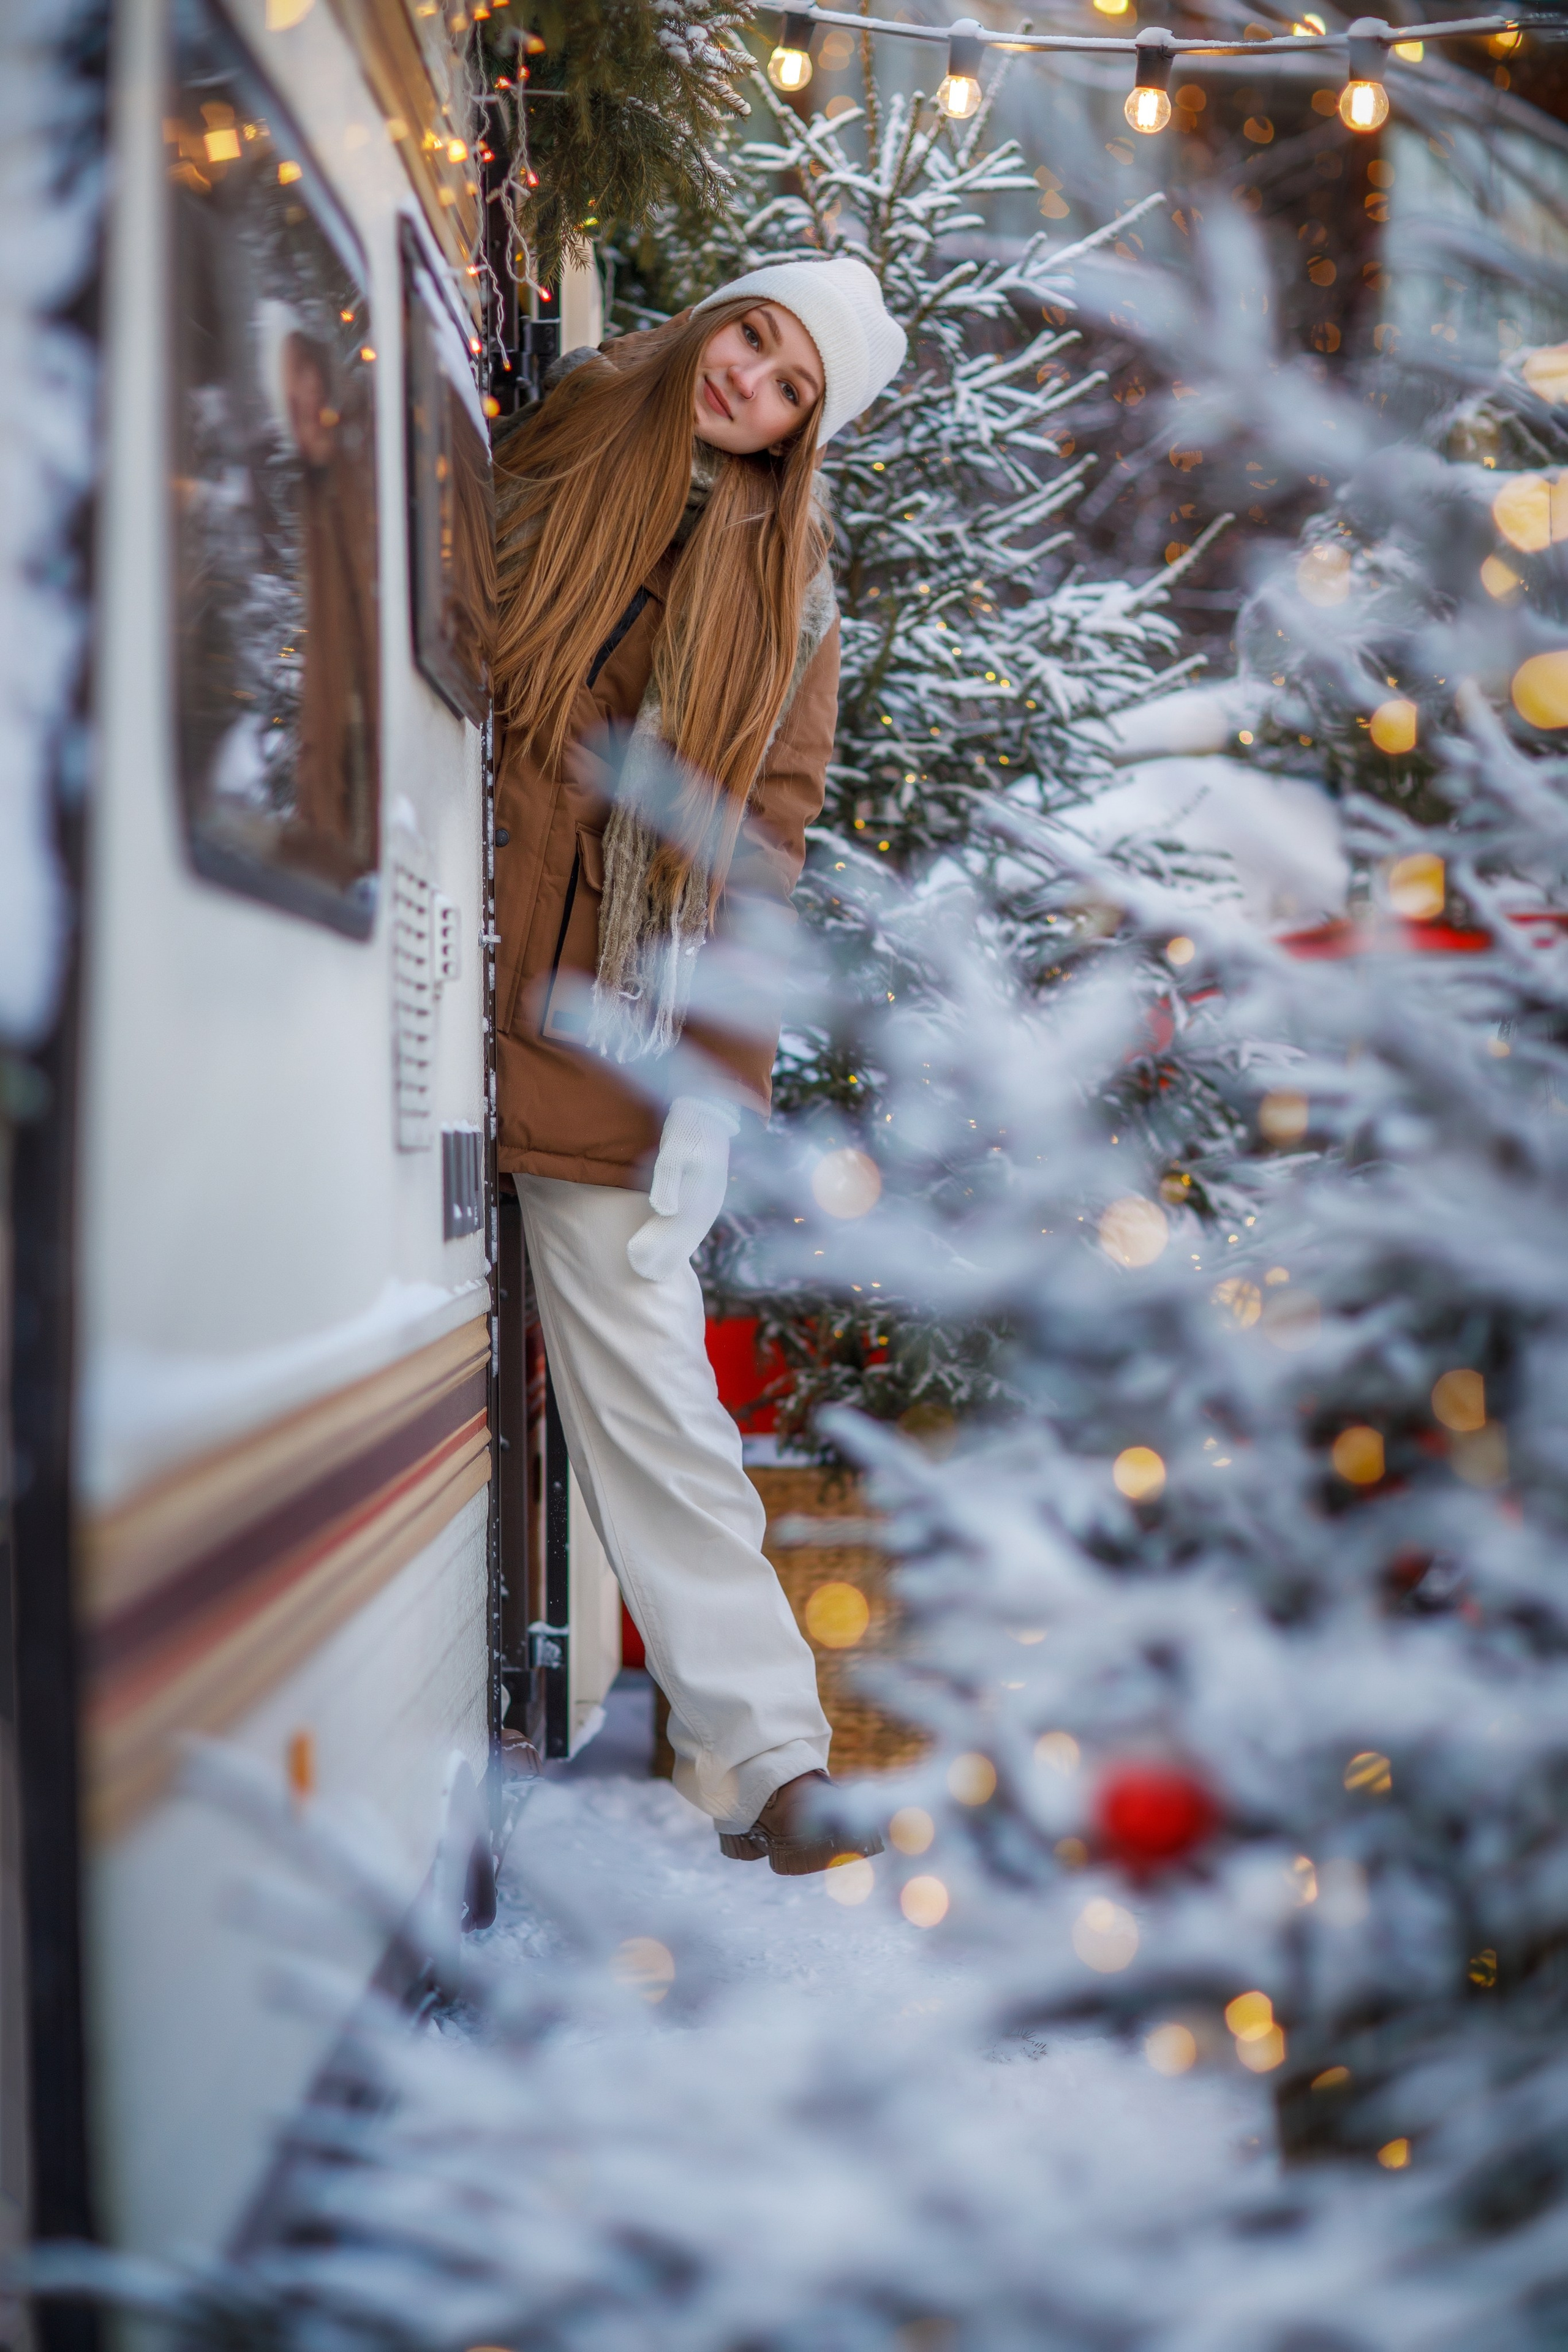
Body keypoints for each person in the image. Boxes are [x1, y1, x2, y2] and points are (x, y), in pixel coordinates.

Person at [491, 259, 905, 1874]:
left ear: (806, 432)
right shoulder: (561, 433)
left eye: (793, 384)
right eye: (753, 335)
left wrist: (709, 1107)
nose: (752, 381)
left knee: (652, 1381)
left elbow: (763, 849)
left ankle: (768, 1757)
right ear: (711, 320)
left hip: (598, 1007)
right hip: (411, 935)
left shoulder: (787, 588)